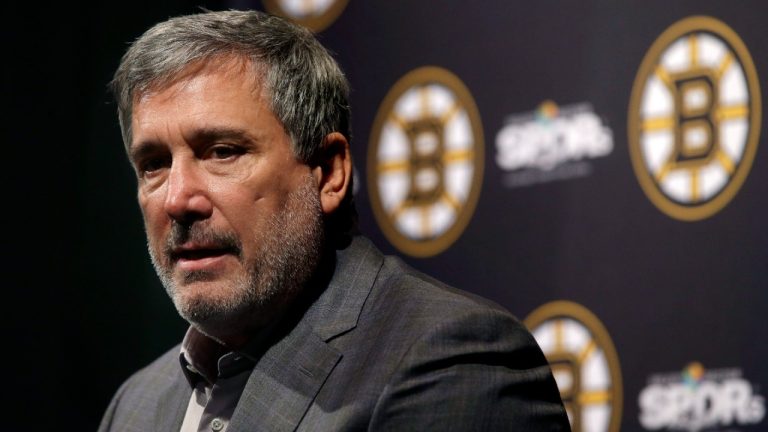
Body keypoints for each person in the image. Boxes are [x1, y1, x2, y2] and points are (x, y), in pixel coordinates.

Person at [99, 9, 569, 431]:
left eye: (222, 152)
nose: (178, 199)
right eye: (154, 165)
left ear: (329, 173)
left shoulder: (450, 364)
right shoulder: (135, 405)